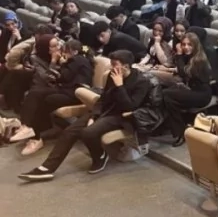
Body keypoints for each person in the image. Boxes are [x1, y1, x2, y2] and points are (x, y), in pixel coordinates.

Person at [18, 50, 150, 182]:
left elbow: (130, 107)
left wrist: (120, 85)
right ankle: (47, 168)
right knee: (69, 131)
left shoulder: (141, 82)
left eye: (114, 64)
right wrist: (94, 115)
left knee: (88, 132)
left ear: (125, 66)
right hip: (106, 111)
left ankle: (100, 156)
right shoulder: (112, 75)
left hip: (122, 117)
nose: (111, 67)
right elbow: (103, 99)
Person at [11, 40, 94, 156]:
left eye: (66, 51)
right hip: (66, 90)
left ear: (74, 51)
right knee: (35, 93)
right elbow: (57, 78)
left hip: (76, 94)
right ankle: (26, 126)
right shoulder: (77, 60)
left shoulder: (78, 59)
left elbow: (64, 76)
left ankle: (36, 136)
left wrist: (61, 63)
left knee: (46, 99)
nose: (62, 52)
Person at [161, 32, 213, 147]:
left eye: (189, 45)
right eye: (183, 44)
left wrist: (179, 54)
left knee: (167, 95)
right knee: (166, 95)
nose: (186, 47)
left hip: (201, 94)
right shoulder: (190, 57)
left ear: (195, 46)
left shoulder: (199, 60)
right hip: (191, 90)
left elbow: (182, 73)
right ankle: (179, 129)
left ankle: (180, 131)